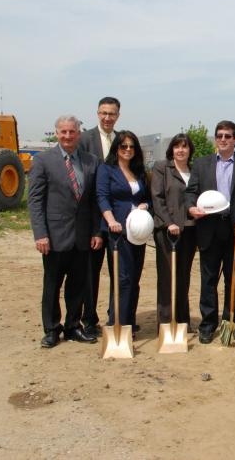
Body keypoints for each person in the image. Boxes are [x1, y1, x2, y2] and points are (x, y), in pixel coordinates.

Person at [28, 115, 102, 348]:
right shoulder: (43, 161)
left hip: (82, 237)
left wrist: (96, 232)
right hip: (54, 236)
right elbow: (35, 201)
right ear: (56, 134)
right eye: (63, 132)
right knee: (52, 285)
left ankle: (72, 327)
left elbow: (94, 201)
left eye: (72, 131)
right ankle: (51, 329)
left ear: (79, 134)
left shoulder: (91, 161)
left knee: (78, 286)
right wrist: (40, 234)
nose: (68, 136)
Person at [186, 120, 235, 344]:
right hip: (208, 229)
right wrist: (191, 208)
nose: (223, 139)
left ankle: (230, 322)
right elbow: (191, 192)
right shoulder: (201, 164)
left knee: (232, 279)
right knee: (208, 280)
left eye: (228, 136)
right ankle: (208, 325)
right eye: (219, 136)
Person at [96, 131, 150, 334]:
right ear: (116, 148)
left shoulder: (138, 171)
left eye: (131, 146)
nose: (128, 150)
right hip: (118, 231)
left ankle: (129, 322)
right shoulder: (107, 169)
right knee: (123, 278)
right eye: (123, 146)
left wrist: (145, 205)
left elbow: (147, 197)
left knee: (134, 278)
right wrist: (111, 221)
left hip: (138, 232)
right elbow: (102, 197)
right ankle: (116, 323)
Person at [78, 96, 121, 336]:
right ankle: (89, 320)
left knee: (118, 273)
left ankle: (116, 318)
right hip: (94, 220)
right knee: (90, 274)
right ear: (97, 113)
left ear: (118, 116)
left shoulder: (123, 140)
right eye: (103, 113)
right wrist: (95, 226)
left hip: (118, 221)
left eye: (111, 113)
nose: (107, 117)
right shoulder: (84, 140)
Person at [151, 133, 197, 330]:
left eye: (184, 146)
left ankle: (183, 320)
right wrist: (169, 223)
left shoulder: (194, 170)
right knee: (167, 276)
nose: (181, 150)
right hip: (167, 231)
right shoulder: (162, 168)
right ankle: (165, 321)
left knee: (183, 276)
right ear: (171, 149)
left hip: (190, 229)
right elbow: (157, 198)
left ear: (190, 150)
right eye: (177, 146)